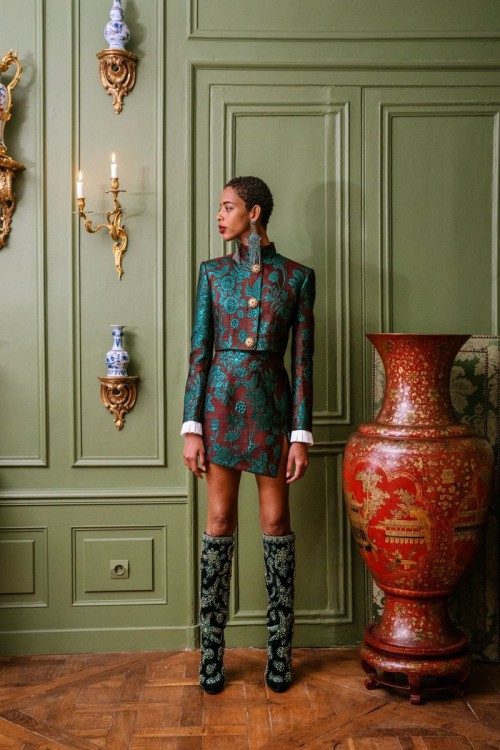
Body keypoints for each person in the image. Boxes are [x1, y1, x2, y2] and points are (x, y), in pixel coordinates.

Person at [181, 176, 315, 694]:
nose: (220, 216)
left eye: (228, 207)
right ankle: (210, 656)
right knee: (218, 520)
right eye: (220, 207)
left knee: (276, 521)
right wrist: (192, 427)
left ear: (253, 213)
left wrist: (300, 434)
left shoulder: (297, 277)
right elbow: (199, 353)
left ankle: (280, 654)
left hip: (273, 409)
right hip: (219, 408)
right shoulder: (212, 274)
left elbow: (302, 363)